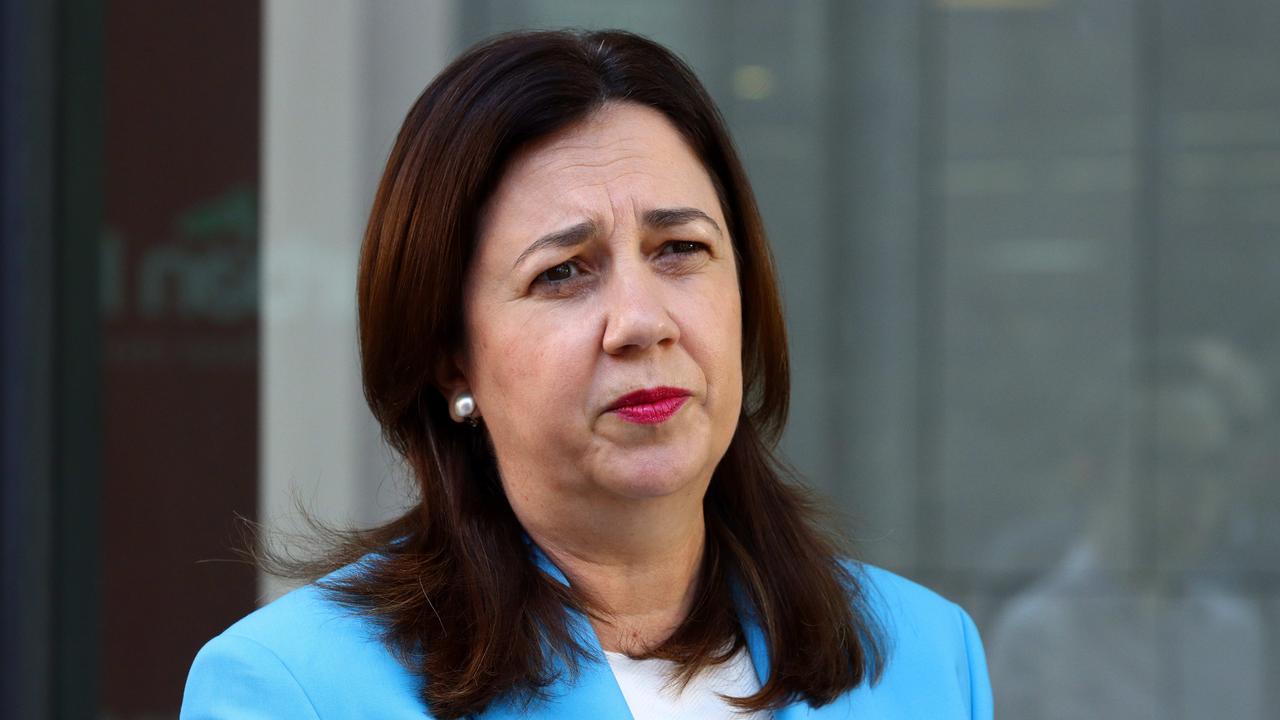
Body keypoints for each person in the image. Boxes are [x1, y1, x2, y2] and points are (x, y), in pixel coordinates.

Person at [180, 29, 992, 719]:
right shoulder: (299, 689)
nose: (642, 322)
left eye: (680, 250)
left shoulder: (925, 660)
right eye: (564, 271)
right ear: (449, 356)